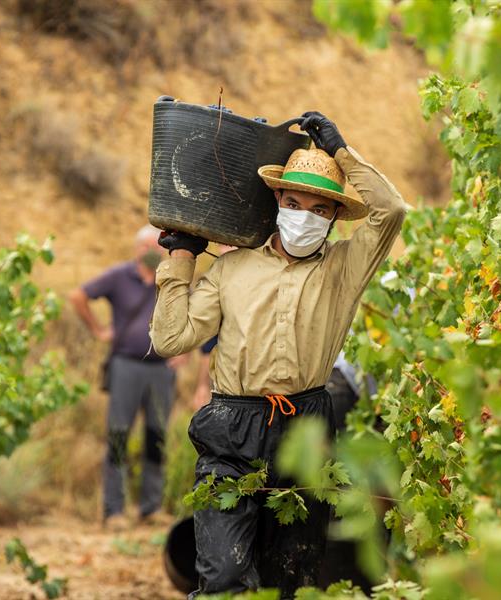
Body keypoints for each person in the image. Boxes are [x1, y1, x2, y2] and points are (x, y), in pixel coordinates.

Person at [149, 112, 406, 597]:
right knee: (223, 576)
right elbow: (170, 339)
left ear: (332, 218)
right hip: (232, 428)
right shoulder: (232, 270)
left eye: (318, 209)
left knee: (290, 579)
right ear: (277, 202)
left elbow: (390, 211)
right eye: (293, 202)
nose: (304, 216)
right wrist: (181, 258)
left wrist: (344, 153)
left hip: (306, 434)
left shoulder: (344, 269)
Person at [69, 224, 177, 528]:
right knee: (118, 436)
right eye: (147, 247)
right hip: (126, 366)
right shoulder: (119, 276)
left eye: (158, 247)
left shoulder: (169, 278)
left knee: (156, 437)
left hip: (161, 369)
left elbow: (188, 314)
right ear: (137, 249)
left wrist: (183, 351)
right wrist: (99, 331)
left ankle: (150, 508)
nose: (153, 253)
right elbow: (78, 296)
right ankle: (114, 511)